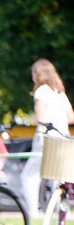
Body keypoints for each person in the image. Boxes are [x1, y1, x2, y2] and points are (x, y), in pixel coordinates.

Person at [20, 59, 74, 215]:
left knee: (29, 176)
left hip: (46, 140)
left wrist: (32, 120)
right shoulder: (59, 93)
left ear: (38, 74)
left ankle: (33, 213)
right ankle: (60, 213)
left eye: (33, 73)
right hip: (63, 138)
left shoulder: (42, 91)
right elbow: (71, 117)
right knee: (56, 178)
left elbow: (40, 118)